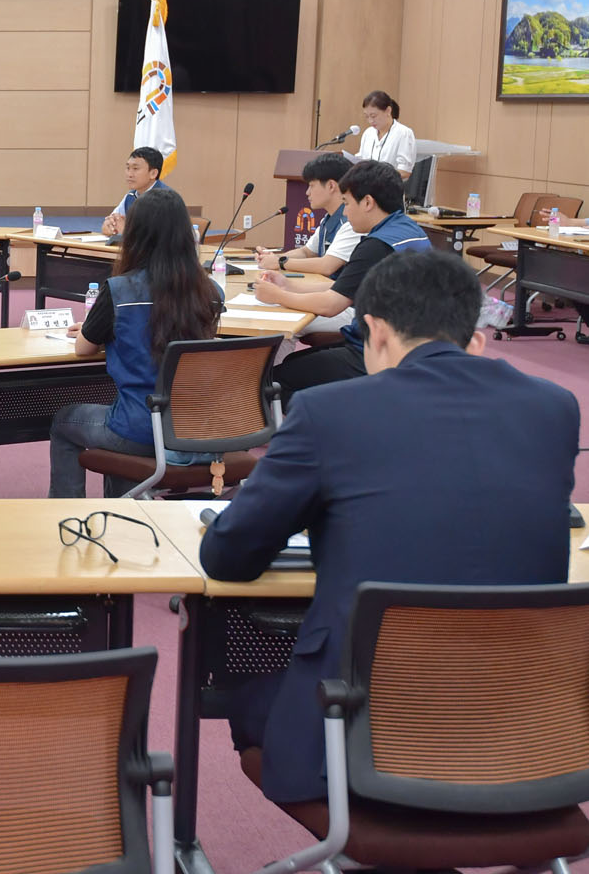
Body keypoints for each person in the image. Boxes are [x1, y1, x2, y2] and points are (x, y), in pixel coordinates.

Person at [199, 249, 577, 806]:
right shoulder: (555, 408)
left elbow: (228, 558)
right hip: (522, 733)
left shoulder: (328, 412)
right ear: (473, 336)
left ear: (374, 330)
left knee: (239, 696)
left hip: (358, 734)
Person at [48, 187, 223, 498]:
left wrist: (99, 329)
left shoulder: (120, 290)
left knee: (64, 421)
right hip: (196, 429)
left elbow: (83, 348)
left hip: (140, 428)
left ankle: (67, 510)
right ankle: (125, 503)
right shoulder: (210, 292)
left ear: (136, 235)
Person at [254, 160, 429, 402]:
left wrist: (278, 296)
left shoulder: (376, 246)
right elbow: (346, 286)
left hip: (376, 356)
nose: (345, 212)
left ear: (367, 202)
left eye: (346, 203)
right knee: (293, 364)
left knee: (270, 381)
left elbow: (331, 305)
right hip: (409, 350)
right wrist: (289, 285)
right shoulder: (408, 230)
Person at [253, 152, 361, 334]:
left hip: (347, 305)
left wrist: (280, 262)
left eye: (311, 186)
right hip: (328, 293)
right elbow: (307, 251)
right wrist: (274, 257)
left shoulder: (351, 220)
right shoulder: (329, 218)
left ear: (331, 186)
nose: (307, 193)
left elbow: (327, 266)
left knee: (280, 317)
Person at [101, 146, 173, 237]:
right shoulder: (131, 195)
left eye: (135, 169)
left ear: (153, 173)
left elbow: (160, 238)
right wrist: (109, 226)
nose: (129, 174)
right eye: (128, 168)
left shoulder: (166, 199)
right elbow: (110, 224)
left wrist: (126, 232)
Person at [356, 89, 416, 179]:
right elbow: (361, 160)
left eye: (373, 116)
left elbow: (405, 172)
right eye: (367, 117)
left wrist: (378, 177)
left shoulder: (404, 133)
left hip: (390, 186)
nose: (370, 121)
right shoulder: (368, 133)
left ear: (388, 111)